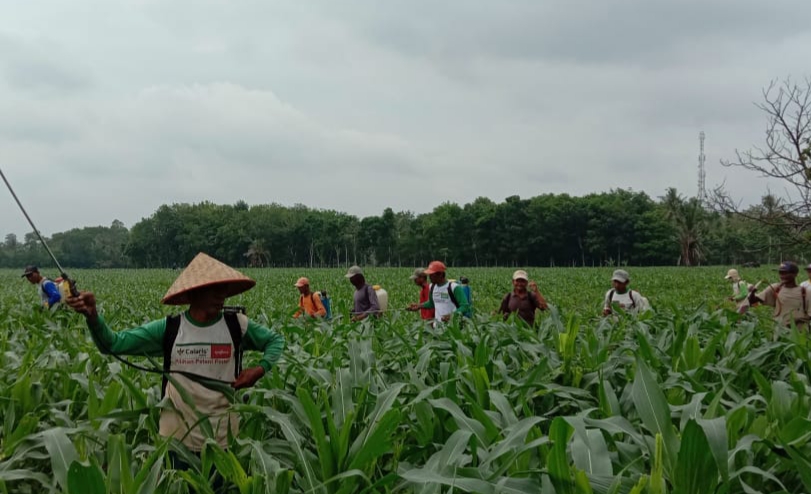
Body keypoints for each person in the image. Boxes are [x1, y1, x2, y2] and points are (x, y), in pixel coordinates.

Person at [65, 252, 285, 457]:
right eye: (215, 288)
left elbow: (275, 341)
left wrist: (259, 369)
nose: (222, 294)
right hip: (177, 442)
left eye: (225, 288)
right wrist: (92, 316)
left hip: (224, 440)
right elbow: (113, 344)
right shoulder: (169, 329)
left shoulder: (237, 325)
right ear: (194, 292)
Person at [748, 261, 811, 334]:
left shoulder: (805, 292)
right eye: (780, 273)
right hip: (779, 332)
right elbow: (752, 301)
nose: (782, 276)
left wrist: (795, 321)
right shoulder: (775, 288)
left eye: (785, 273)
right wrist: (752, 293)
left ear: (795, 274)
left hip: (800, 334)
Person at [408, 261, 471, 325]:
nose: (429, 277)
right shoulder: (432, 287)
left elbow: (465, 306)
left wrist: (452, 315)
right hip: (438, 327)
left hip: (453, 328)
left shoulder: (454, 287)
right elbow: (431, 303)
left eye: (432, 275)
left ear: (440, 274)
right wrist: (419, 306)